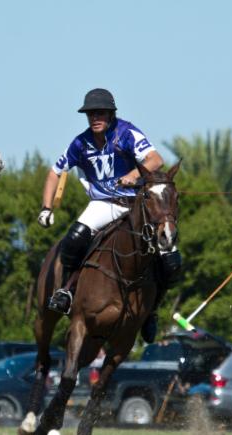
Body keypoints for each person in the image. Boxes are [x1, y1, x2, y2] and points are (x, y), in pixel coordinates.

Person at [37, 88, 181, 342]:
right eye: (91, 114)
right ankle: (66, 292)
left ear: (111, 114)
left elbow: (155, 159)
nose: (95, 118)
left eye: (100, 113)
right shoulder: (80, 143)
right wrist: (46, 207)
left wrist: (133, 175)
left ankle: (151, 312)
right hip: (102, 204)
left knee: (171, 260)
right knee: (73, 239)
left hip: (135, 204)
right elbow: (54, 172)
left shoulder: (126, 133)